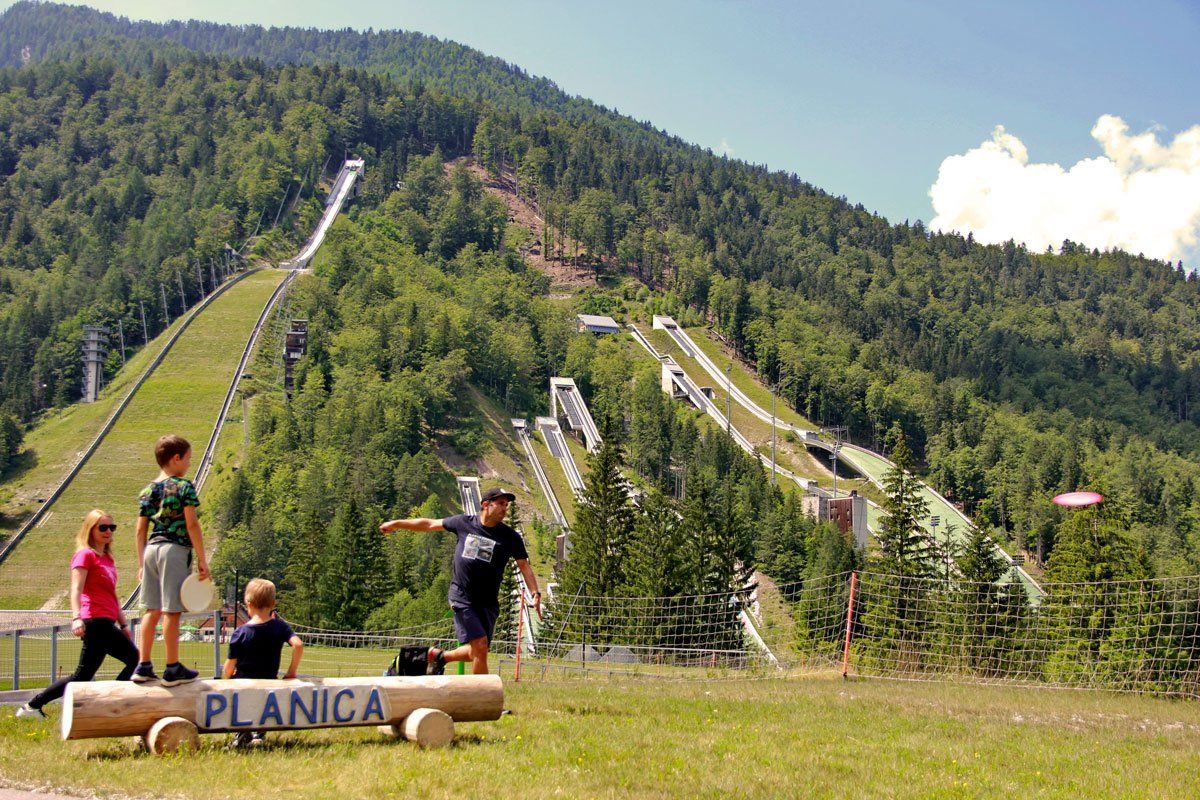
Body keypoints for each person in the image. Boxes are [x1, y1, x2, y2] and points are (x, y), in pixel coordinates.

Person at [379, 487, 541, 675]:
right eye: (500, 504)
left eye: (506, 505)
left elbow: (524, 565)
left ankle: (439, 657)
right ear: (486, 505)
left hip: (488, 602)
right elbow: (429, 524)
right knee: (480, 645)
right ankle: (480, 693)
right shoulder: (463, 523)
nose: (505, 509)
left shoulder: (510, 537)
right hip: (462, 597)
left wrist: (535, 593)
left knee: (477, 651)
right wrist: (397, 523)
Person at [16, 510, 139, 719]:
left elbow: (112, 595)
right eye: (103, 527)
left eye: (112, 527)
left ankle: (32, 706)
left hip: (107, 620)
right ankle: (108, 703)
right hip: (94, 620)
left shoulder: (107, 558)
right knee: (133, 658)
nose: (108, 531)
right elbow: (76, 589)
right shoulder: (85, 555)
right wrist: (76, 618)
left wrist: (124, 624)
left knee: (84, 675)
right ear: (90, 529)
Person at [132, 434, 209, 686]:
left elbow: (140, 530)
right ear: (176, 459)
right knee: (171, 611)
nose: (189, 464)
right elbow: (192, 524)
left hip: (151, 550)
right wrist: (202, 558)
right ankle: (172, 667)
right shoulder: (184, 486)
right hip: (174, 550)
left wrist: (141, 563)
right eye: (187, 459)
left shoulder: (148, 490)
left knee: (151, 609)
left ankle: (143, 665)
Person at [222, 578, 304, 748]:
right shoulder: (280, 627)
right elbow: (298, 645)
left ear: (248, 603)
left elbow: (229, 667)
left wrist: (228, 676)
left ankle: (242, 735)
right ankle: (258, 734)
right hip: (269, 682)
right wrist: (291, 672)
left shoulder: (240, 632)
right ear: (273, 604)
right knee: (264, 706)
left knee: (241, 707)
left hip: (244, 684)